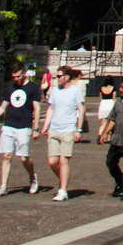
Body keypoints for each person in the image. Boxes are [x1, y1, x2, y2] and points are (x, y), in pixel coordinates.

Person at [0, 64, 43, 196]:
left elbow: (37, 108)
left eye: (18, 76)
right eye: (14, 77)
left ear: (25, 74)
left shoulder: (33, 88)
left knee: (23, 158)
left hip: (24, 126)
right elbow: (3, 107)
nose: (16, 79)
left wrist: (36, 127)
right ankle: (3, 186)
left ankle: (33, 177)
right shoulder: (10, 87)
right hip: (9, 125)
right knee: (6, 155)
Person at [41, 66, 87, 201]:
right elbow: (51, 108)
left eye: (59, 76)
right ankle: (63, 179)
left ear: (66, 77)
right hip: (54, 129)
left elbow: (81, 110)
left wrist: (78, 129)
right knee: (52, 161)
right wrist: (45, 126)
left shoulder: (75, 91)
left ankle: (63, 190)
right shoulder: (55, 91)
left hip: (68, 129)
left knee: (63, 160)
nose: (57, 79)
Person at [96, 80, 117, 146]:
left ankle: (100, 135)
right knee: (111, 122)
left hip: (103, 104)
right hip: (110, 104)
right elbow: (114, 98)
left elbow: (101, 97)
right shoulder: (113, 88)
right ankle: (108, 138)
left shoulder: (101, 88)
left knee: (103, 123)